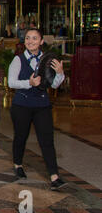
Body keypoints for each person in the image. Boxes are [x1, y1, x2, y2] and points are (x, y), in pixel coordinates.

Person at [8, 28, 67, 191]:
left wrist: (60, 74)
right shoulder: (18, 60)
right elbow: (11, 82)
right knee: (21, 136)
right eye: (28, 38)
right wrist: (29, 83)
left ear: (41, 41)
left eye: (34, 38)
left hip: (42, 105)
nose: (30, 41)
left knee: (47, 140)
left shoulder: (48, 60)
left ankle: (54, 175)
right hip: (22, 105)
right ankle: (18, 164)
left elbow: (53, 84)